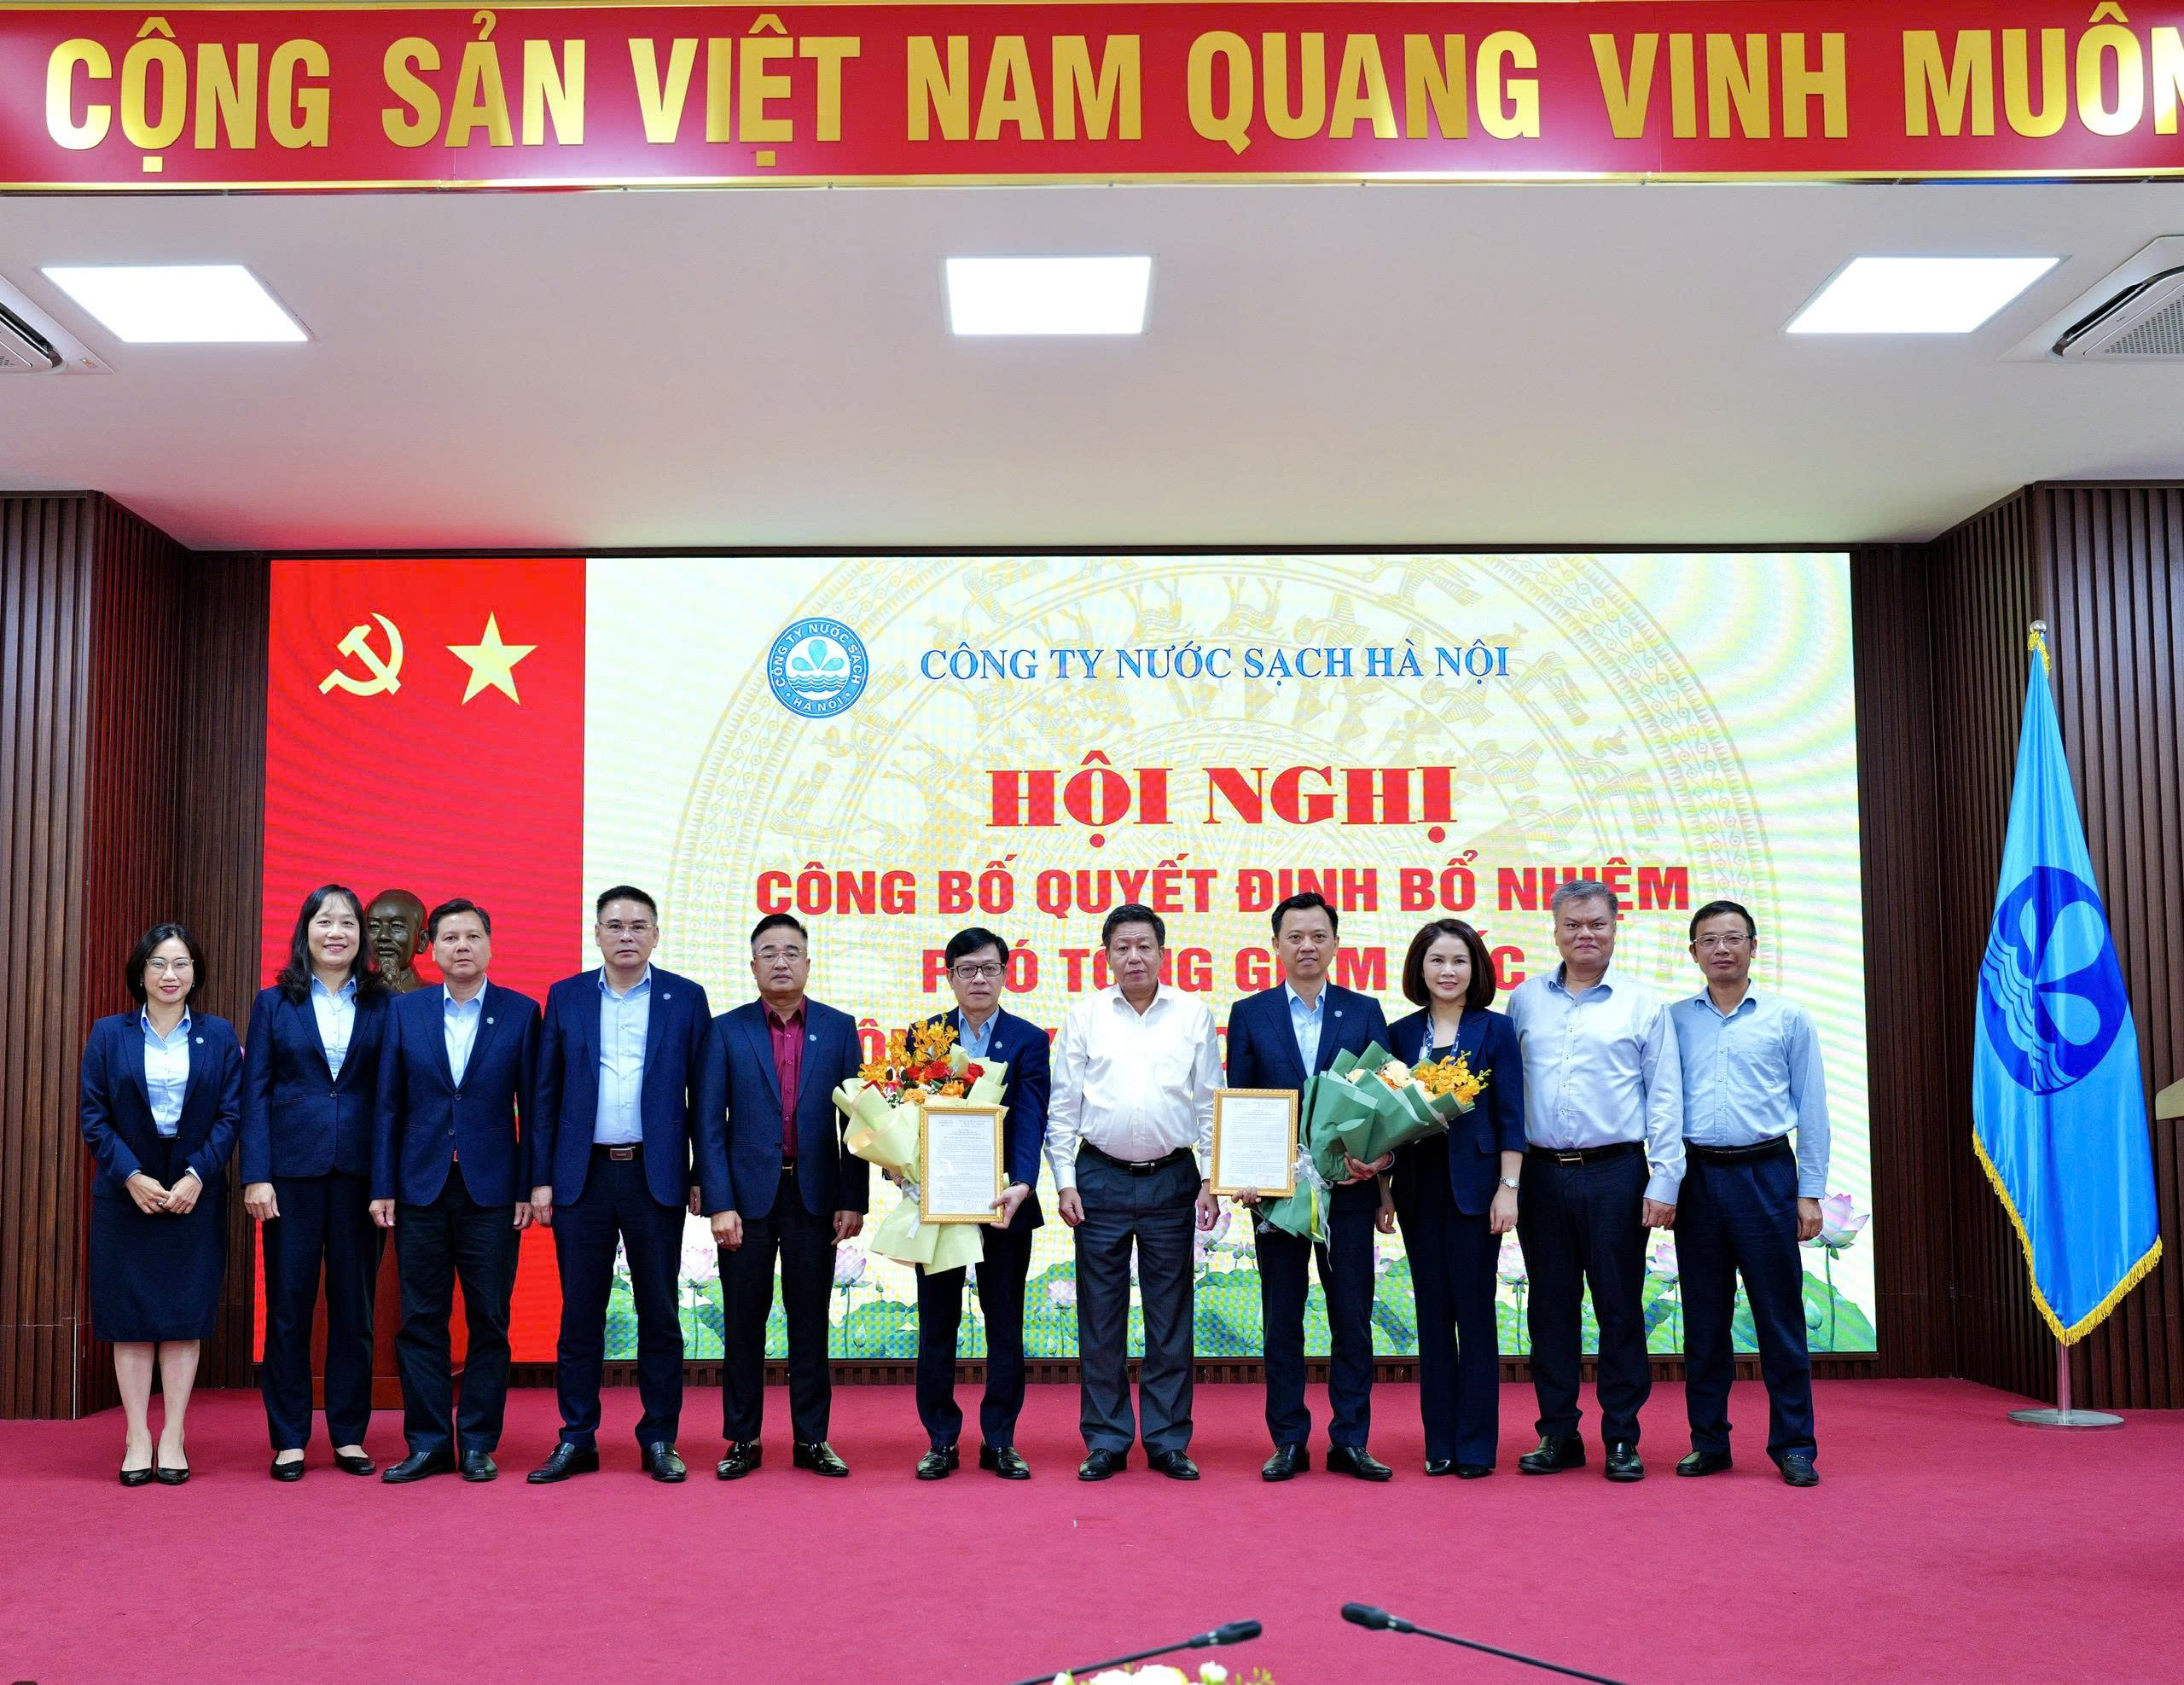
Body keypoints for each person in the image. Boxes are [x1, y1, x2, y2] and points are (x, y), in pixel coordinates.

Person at [526, 886, 712, 1485]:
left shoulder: (686, 997)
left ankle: (659, 1436)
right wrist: (541, 1179)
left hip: (654, 1175)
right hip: (582, 1176)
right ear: (597, 934)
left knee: (659, 1310)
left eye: (638, 925)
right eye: (615, 925)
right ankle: (576, 1436)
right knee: (581, 1310)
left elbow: (705, 1095)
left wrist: (702, 1175)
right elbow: (545, 1095)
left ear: (656, 934)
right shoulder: (567, 995)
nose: (626, 935)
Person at [1505, 878, 1682, 1482]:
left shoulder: (1642, 1002)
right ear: (1555, 931)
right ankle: (1558, 1433)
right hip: (1541, 1175)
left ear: (1615, 927)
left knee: (1619, 1308)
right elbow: (1510, 1092)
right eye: (1573, 925)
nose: (1585, 934)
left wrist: (1665, 1179)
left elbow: (1664, 1096)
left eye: (1597, 924)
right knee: (1550, 1311)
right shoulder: (1525, 999)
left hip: (1617, 1174)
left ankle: (1622, 1437)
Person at [1046, 904, 1221, 1482]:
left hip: (1173, 1177)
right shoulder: (1085, 1015)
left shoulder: (1193, 1014)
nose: (1134, 957)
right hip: (1099, 1177)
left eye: (1145, 946)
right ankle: (1106, 1439)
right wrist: (1065, 1182)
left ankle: (1168, 1439)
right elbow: (1063, 1108)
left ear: (1162, 953)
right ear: (1107, 955)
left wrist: (1211, 1180)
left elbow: (1209, 1104)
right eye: (1122, 947)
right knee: (1101, 1316)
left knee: (1170, 1315)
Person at [369, 898, 539, 1485]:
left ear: (489, 946)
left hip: (493, 1192)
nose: (462, 946)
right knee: (421, 1319)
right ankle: (428, 1443)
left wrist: (527, 1184)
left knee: (489, 1319)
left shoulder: (521, 1013)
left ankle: (478, 1443)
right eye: (450, 937)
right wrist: (383, 1184)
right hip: (420, 1187)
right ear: (433, 947)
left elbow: (535, 1109)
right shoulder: (405, 1012)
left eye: (472, 936)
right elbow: (388, 1105)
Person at [692, 912, 865, 1479]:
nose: (781, 962)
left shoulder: (838, 1028)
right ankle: (743, 1438)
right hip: (746, 1202)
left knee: (810, 1321)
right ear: (753, 966)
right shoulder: (726, 1030)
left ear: (809, 963)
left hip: (815, 1198)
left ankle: (812, 1439)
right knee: (744, 1322)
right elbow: (707, 1124)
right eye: (769, 953)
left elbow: (857, 1123)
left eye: (792, 952)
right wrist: (719, 1202)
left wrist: (853, 1198)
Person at [1224, 891, 1391, 1482]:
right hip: (1277, 1194)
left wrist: (1382, 1161)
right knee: (1282, 1317)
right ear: (1275, 945)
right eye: (1294, 936)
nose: (1307, 946)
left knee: (1353, 1316)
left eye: (1319, 935)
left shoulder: (1364, 1010)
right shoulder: (1251, 1013)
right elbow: (1242, 1101)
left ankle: (1351, 1439)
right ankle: (1289, 1439)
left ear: (1336, 943)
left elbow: (1384, 1101)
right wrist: (1240, 1173)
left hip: (1350, 1190)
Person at [1670, 899, 1829, 1488]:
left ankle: (1794, 1444)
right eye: (1709, 939)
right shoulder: (1673, 1020)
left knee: (1779, 1315)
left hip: (1766, 1173)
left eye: (1734, 937)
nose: (1722, 949)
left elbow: (1812, 1107)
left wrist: (1810, 1191)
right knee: (1703, 1319)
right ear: (1693, 952)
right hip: (1697, 1176)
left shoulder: (1788, 1018)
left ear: (1754, 947)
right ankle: (1709, 1441)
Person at [79, 923, 241, 1485]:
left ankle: (172, 1434)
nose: (170, 975)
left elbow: (231, 1114)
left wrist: (198, 1174)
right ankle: (136, 1435)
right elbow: (94, 1116)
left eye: (181, 964)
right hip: (127, 1191)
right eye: (158, 964)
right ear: (141, 972)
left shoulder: (219, 1035)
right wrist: (130, 1175)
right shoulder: (109, 1034)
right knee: (129, 1319)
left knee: (182, 1316)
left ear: (195, 973)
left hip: (194, 1189)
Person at [241, 884, 389, 1481]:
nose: (336, 932)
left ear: (361, 936)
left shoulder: (384, 1003)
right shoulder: (274, 1003)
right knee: (289, 1308)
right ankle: (289, 1438)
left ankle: (349, 1435)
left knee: (355, 1310)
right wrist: (257, 1174)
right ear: (306, 931)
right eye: (325, 921)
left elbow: (391, 1098)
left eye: (348, 922)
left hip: (360, 1176)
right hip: (290, 1177)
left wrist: (388, 1179)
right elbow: (254, 1093)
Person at [1385, 919, 1526, 1477]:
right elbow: (1383, 1123)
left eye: (1459, 960)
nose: (1448, 971)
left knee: (1475, 1314)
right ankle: (1439, 1441)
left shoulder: (1495, 1029)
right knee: (1432, 1315)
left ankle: (1476, 1445)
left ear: (1476, 969)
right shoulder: (1399, 1033)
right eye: (1437, 960)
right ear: (1419, 968)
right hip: (1417, 1190)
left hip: (1477, 1192)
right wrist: (1383, 1192)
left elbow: (1512, 1114)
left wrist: (1509, 1188)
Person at [908, 927, 1048, 1481]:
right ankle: (941, 1439)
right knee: (936, 1323)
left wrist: (1024, 1182)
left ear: (1006, 974)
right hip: (940, 1205)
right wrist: (904, 1168)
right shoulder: (926, 1036)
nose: (979, 979)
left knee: (1004, 1323)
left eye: (990, 968)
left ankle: (1000, 1440)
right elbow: (907, 1114)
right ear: (949, 977)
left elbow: (1031, 1116)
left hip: (1004, 1202)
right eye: (967, 969)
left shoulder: (1028, 1039)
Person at [366, 888, 429, 994]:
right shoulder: (348, 995)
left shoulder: (438, 998)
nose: (383, 936)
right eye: (373, 926)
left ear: (422, 940)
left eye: (397, 926)